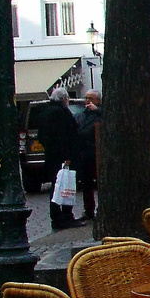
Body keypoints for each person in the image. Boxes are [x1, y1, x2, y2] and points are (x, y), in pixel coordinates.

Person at [39, 87, 80, 230]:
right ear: (64, 99)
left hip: (52, 156)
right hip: (62, 157)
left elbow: (42, 136)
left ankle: (60, 217)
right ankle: (63, 217)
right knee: (64, 186)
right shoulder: (59, 113)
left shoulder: (47, 112)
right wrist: (66, 156)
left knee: (57, 187)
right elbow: (62, 136)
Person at [73, 89, 102, 223]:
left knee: (100, 182)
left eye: (90, 98)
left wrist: (97, 110)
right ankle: (88, 210)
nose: (87, 101)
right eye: (86, 98)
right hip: (84, 153)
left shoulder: (100, 113)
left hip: (97, 153)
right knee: (86, 184)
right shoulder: (81, 115)